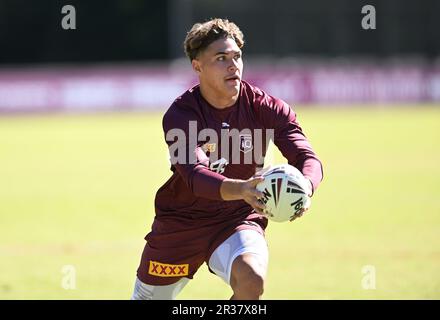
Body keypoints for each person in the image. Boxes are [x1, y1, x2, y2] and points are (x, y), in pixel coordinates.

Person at [131, 18, 323, 300]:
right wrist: (242, 188)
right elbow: (194, 174)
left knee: (251, 280)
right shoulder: (181, 115)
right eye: (221, 58)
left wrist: (306, 186)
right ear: (197, 66)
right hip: (182, 223)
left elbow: (306, 156)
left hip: (237, 218)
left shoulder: (267, 108)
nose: (233, 65)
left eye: (237, 56)